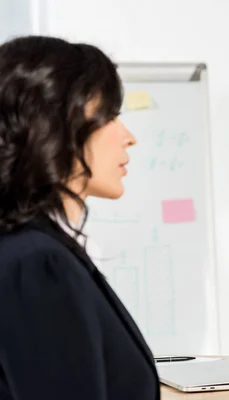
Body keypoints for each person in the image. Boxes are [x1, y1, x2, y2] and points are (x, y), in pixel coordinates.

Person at [0, 36, 159, 399]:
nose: (128, 137)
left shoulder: (36, 250)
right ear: (59, 125)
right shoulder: (38, 265)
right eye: (111, 116)